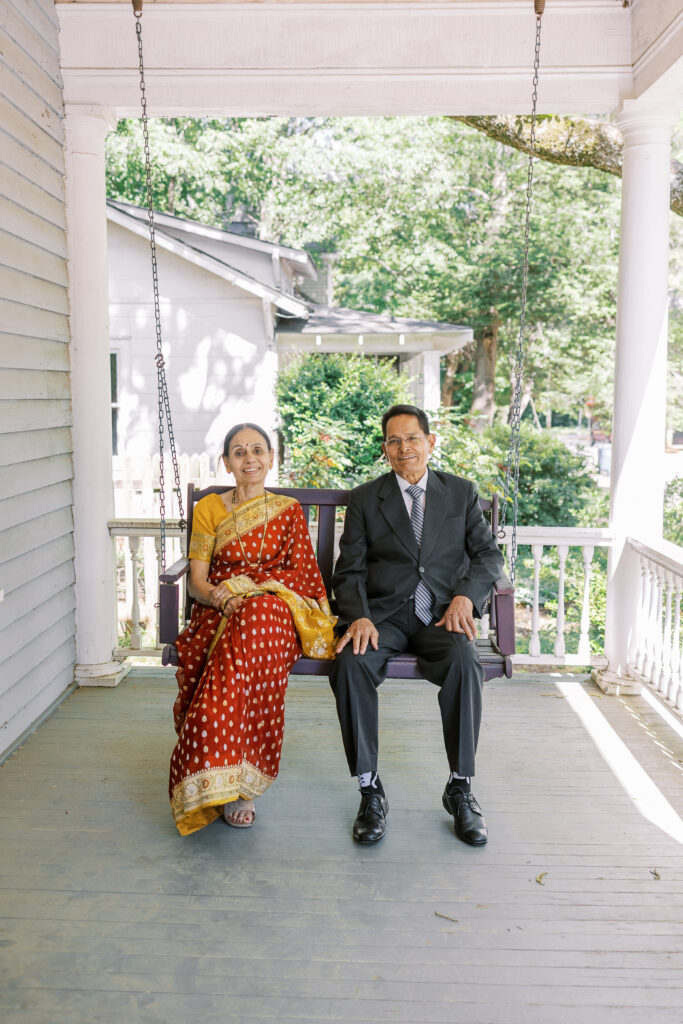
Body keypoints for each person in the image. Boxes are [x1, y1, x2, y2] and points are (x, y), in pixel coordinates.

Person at [329, 404, 504, 846]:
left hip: (443, 615)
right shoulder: (367, 498)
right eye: (394, 440)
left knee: (466, 661)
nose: (404, 448)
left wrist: (467, 595)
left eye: (412, 438)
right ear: (385, 450)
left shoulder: (460, 493)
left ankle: (460, 787)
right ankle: (370, 790)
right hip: (383, 618)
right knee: (351, 662)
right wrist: (360, 616)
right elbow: (348, 569)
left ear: (430, 442)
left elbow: (487, 557)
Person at [169, 423, 336, 836]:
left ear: (271, 458)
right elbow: (197, 581)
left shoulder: (288, 510)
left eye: (258, 450)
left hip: (276, 614)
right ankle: (229, 776)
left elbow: (303, 577)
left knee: (260, 615)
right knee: (244, 631)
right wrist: (223, 597)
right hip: (221, 611)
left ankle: (239, 782)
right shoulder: (208, 509)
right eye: (239, 452)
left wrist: (252, 587)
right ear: (226, 462)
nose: (249, 458)